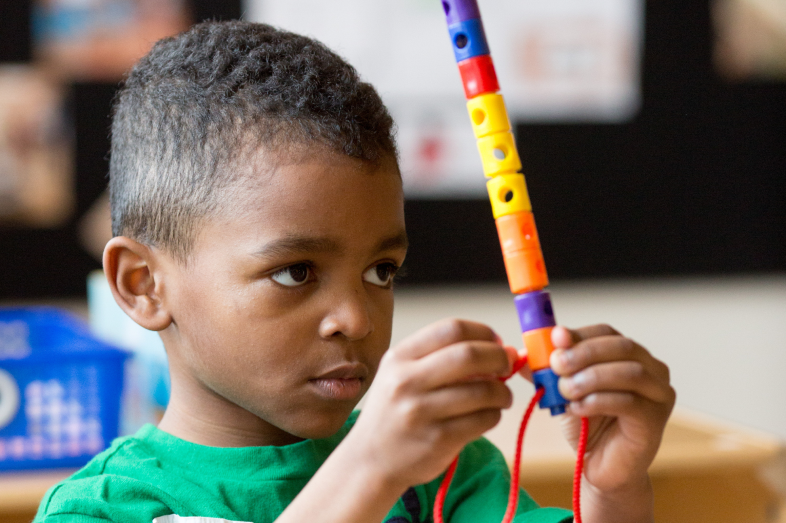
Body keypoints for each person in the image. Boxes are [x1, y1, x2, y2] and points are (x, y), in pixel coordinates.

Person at [34, 21, 675, 523]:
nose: (356, 318)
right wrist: (368, 473)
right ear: (144, 284)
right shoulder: (102, 507)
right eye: (295, 272)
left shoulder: (442, 473)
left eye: (381, 271)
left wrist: (611, 490)